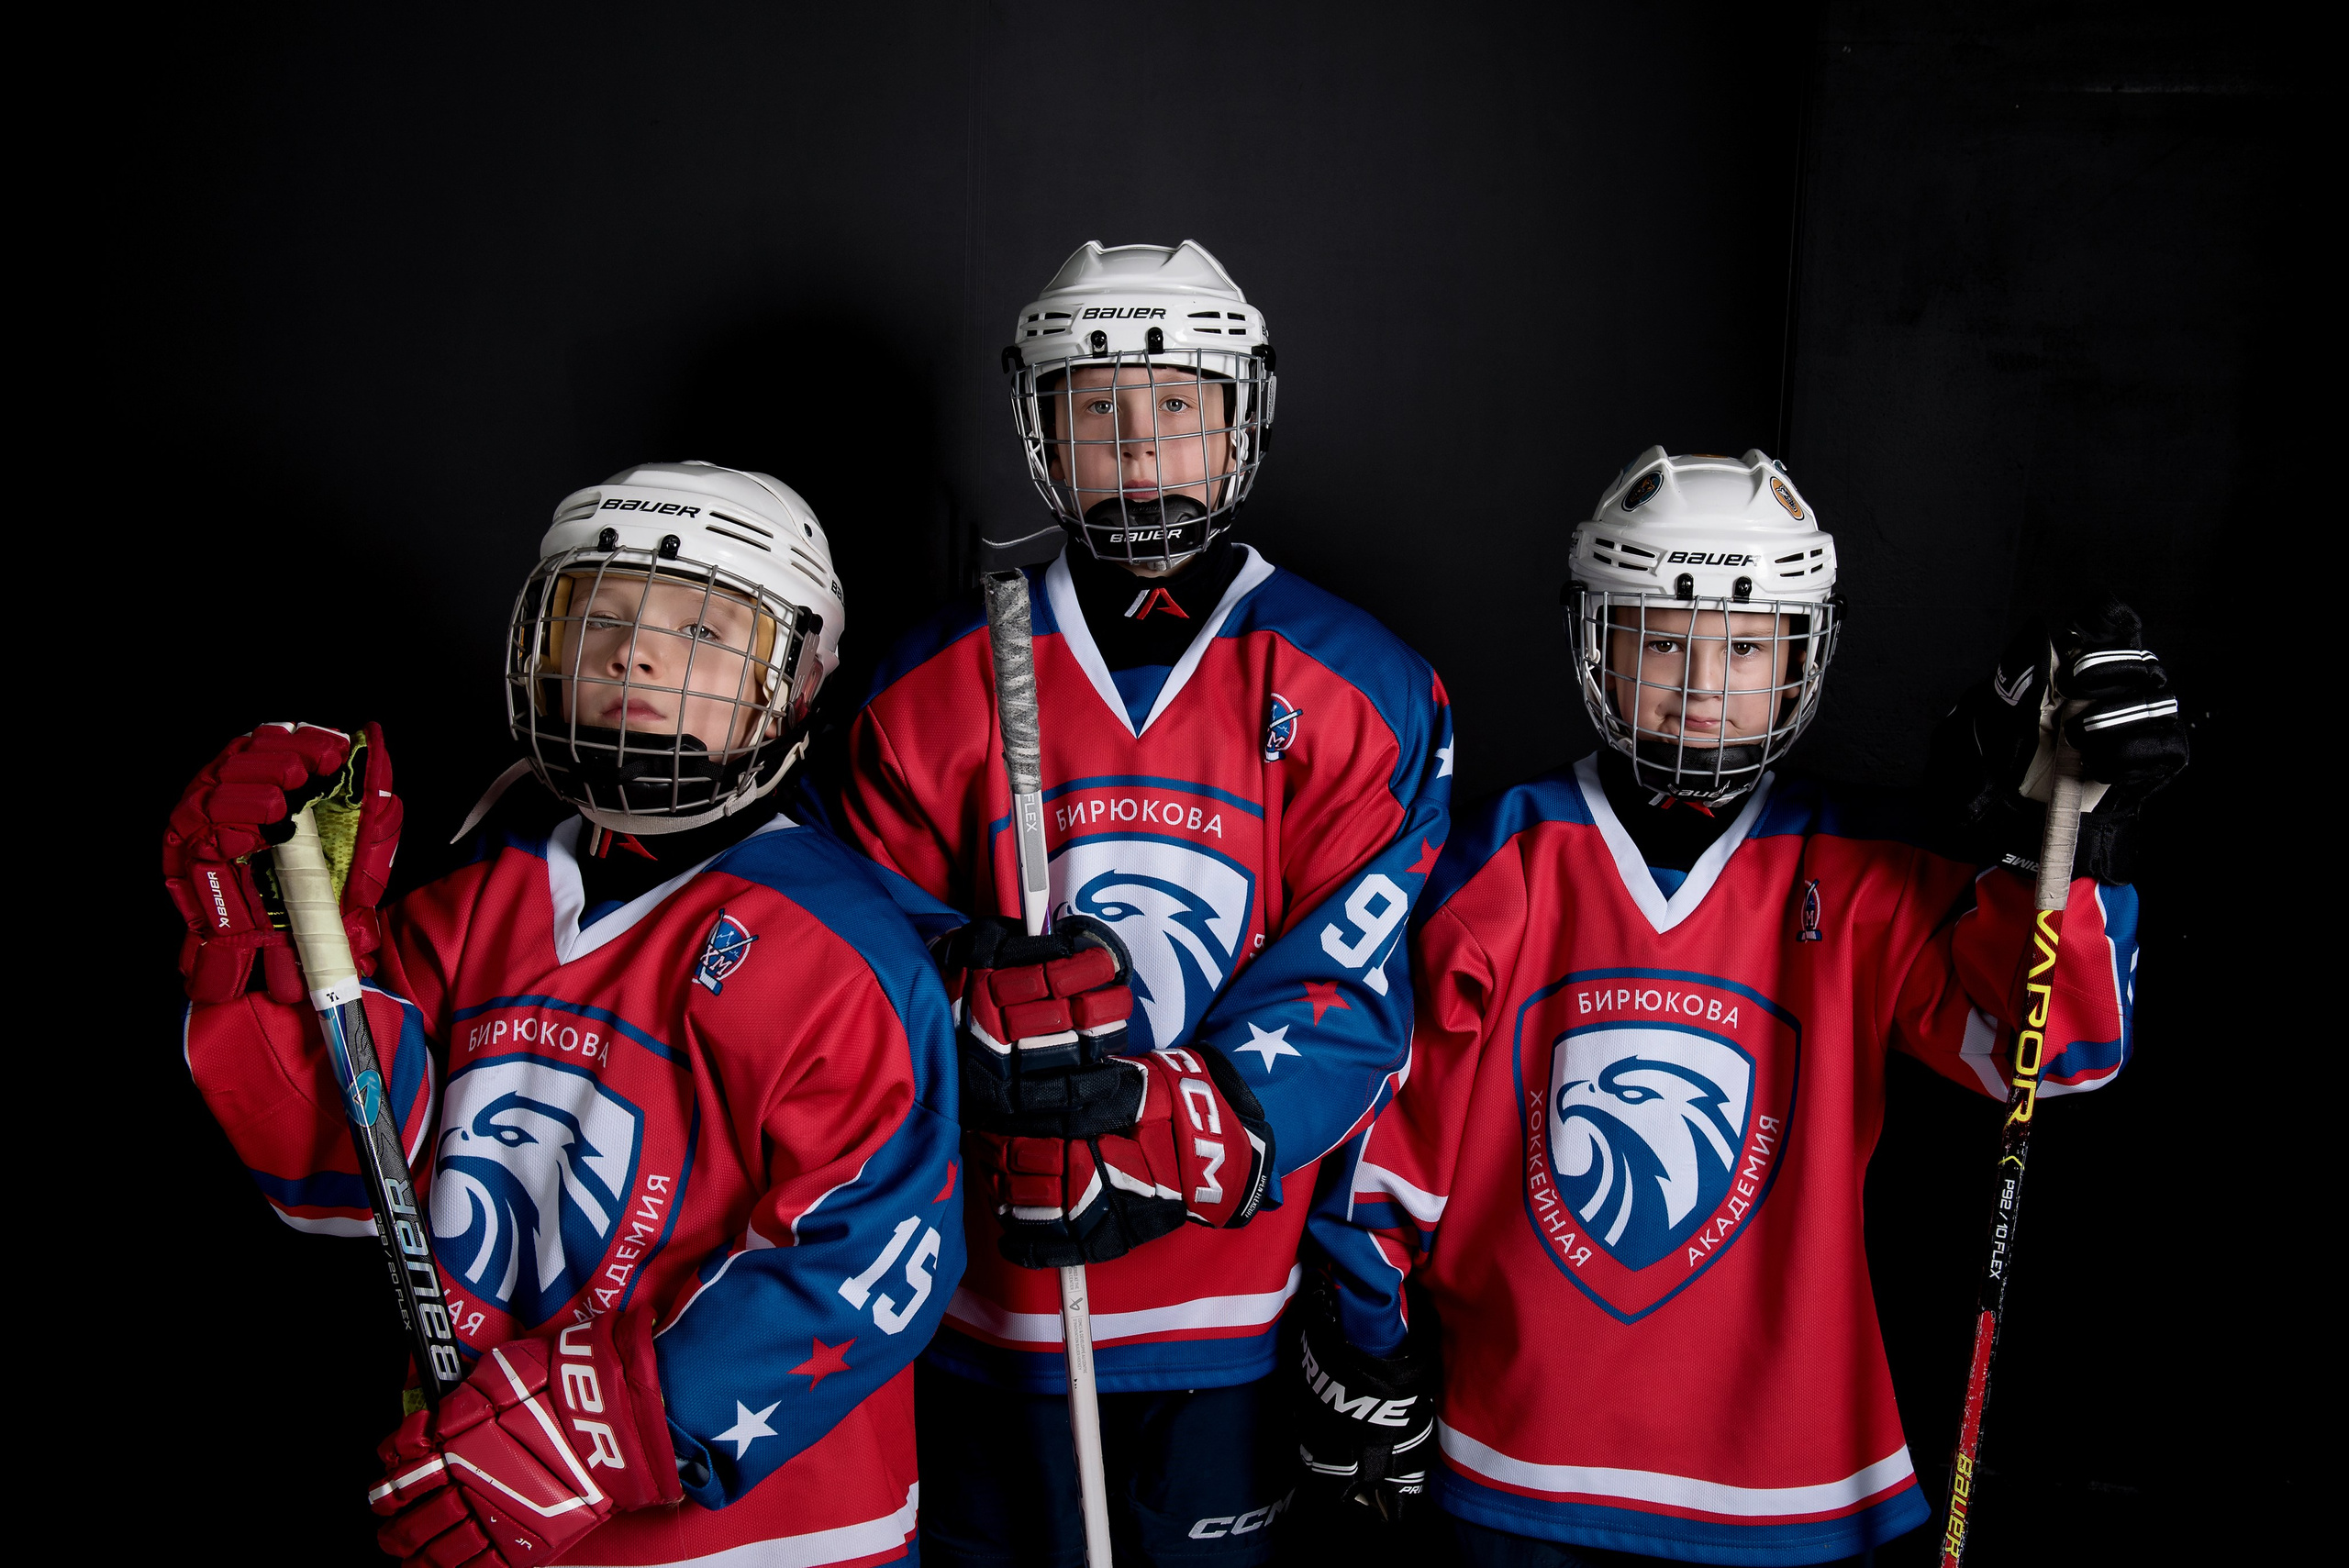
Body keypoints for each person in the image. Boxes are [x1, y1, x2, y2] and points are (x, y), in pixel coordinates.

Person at [1297, 448, 2188, 1564]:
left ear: (1804, 656)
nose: (1705, 683)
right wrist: (1361, 1340)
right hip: (1522, 1451)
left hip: (1788, 1475)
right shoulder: (1501, 858)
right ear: (1596, 639)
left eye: (1749, 645)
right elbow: (1391, 1148)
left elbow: (2052, 1059)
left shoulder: (1863, 867)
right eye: (1664, 640)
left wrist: (2059, 838)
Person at [162, 462, 964, 1567]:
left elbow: (874, 1252)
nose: (636, 652)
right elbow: (346, 1179)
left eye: (703, 632)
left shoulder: (840, 945)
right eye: (603, 619)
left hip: (764, 1536)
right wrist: (276, 959)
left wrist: (602, 1424)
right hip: (482, 1502)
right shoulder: (471, 894)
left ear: (794, 684)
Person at [833, 240, 1453, 1564]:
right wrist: (960, 979)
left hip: (1229, 1310)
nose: (1139, 444)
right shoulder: (924, 684)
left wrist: (1193, 1123)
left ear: (1242, 417)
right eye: (1095, 407)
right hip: (982, 1304)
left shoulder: (1366, 684)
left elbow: (1351, 978)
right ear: (1039, 425)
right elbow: (855, 952)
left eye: (1177, 405)